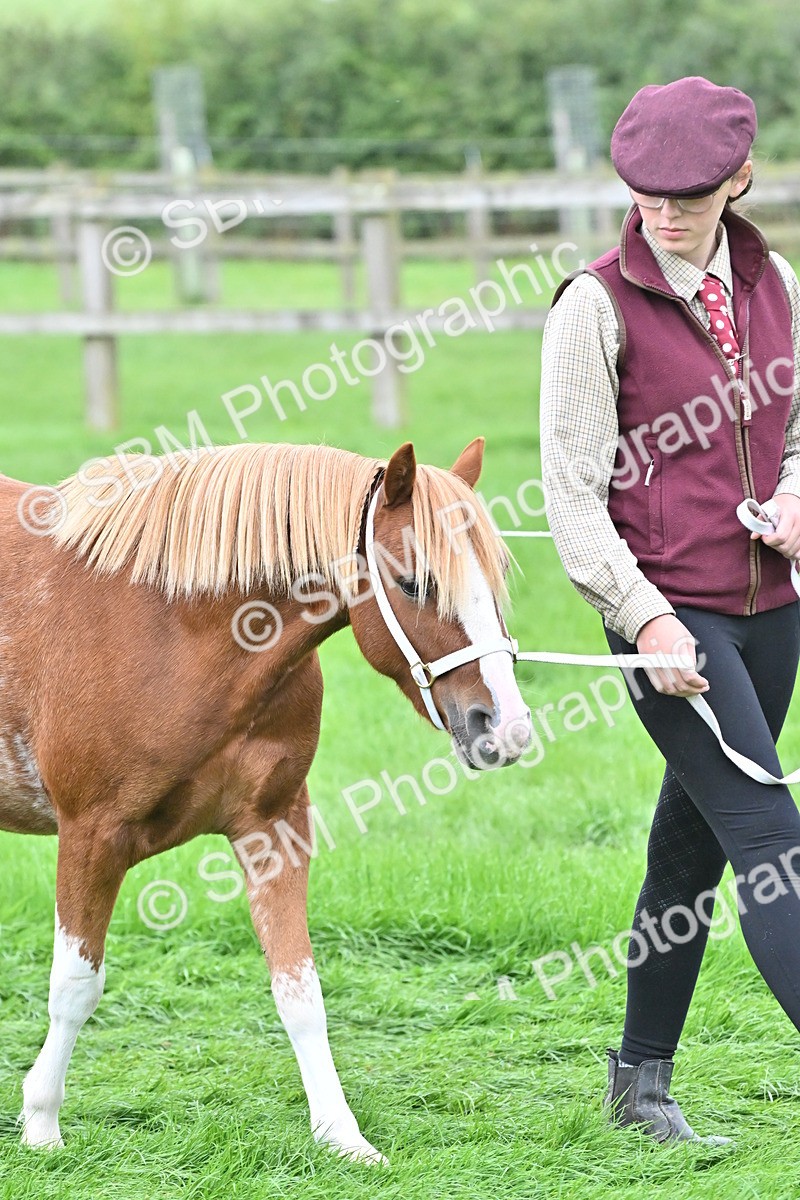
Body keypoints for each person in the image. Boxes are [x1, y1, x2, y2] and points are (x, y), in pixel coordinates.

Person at [540, 75, 800, 1144]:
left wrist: (792, 498)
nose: (663, 209)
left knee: (689, 848)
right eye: (645, 189)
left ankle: (637, 1081)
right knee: (769, 839)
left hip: (774, 611)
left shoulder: (776, 278)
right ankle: (639, 1079)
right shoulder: (591, 306)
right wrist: (643, 620)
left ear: (738, 177)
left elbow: (795, 432)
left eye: (688, 191)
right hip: (670, 618)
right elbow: (567, 493)